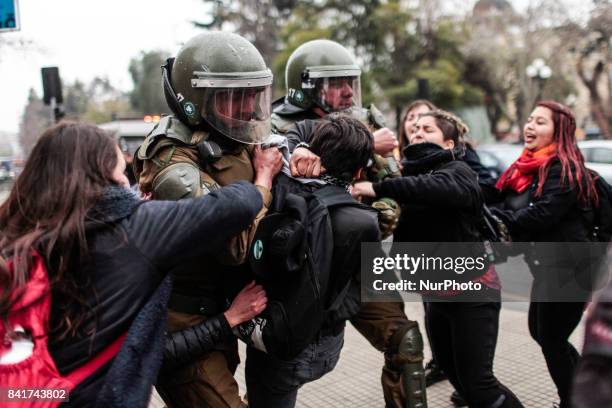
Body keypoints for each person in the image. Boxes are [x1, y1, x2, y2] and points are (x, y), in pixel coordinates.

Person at [0, 122, 266, 406]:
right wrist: (261, 180)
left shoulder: (17, 233)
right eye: (120, 170)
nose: (127, 180)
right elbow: (236, 206)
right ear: (103, 173)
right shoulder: (135, 230)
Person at [270, 39, 427, 407]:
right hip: (302, 263)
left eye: (349, 82)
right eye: (335, 83)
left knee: (404, 341)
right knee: (281, 369)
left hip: (361, 257)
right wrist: (367, 143)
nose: (346, 92)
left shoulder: (366, 120)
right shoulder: (277, 126)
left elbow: (390, 191)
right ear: (308, 86)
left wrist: (369, 206)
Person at [134, 32, 283, 408]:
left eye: (253, 93)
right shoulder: (170, 160)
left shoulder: (236, 135)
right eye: (235, 96)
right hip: (183, 321)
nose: (250, 107)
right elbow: (234, 247)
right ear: (197, 99)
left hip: (224, 312)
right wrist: (264, 181)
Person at [352, 109, 524, 408]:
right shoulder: (404, 177)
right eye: (415, 128)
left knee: (479, 384)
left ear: (448, 144)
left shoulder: (457, 170)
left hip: (473, 294)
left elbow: (444, 190)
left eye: (428, 129)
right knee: (456, 377)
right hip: (435, 297)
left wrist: (379, 188)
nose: (418, 132)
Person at [245, 114, 382, 407]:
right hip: (328, 345)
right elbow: (364, 286)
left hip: (278, 339)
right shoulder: (364, 222)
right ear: (359, 173)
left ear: (312, 151)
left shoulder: (279, 189)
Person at [491, 101, 598, 408]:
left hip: (570, 267)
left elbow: (542, 215)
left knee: (550, 338)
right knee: (543, 334)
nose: (529, 126)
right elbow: (505, 200)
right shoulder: (529, 167)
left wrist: (498, 222)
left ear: (559, 131)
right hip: (549, 267)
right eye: (529, 119)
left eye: (540, 122)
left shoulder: (564, 168)